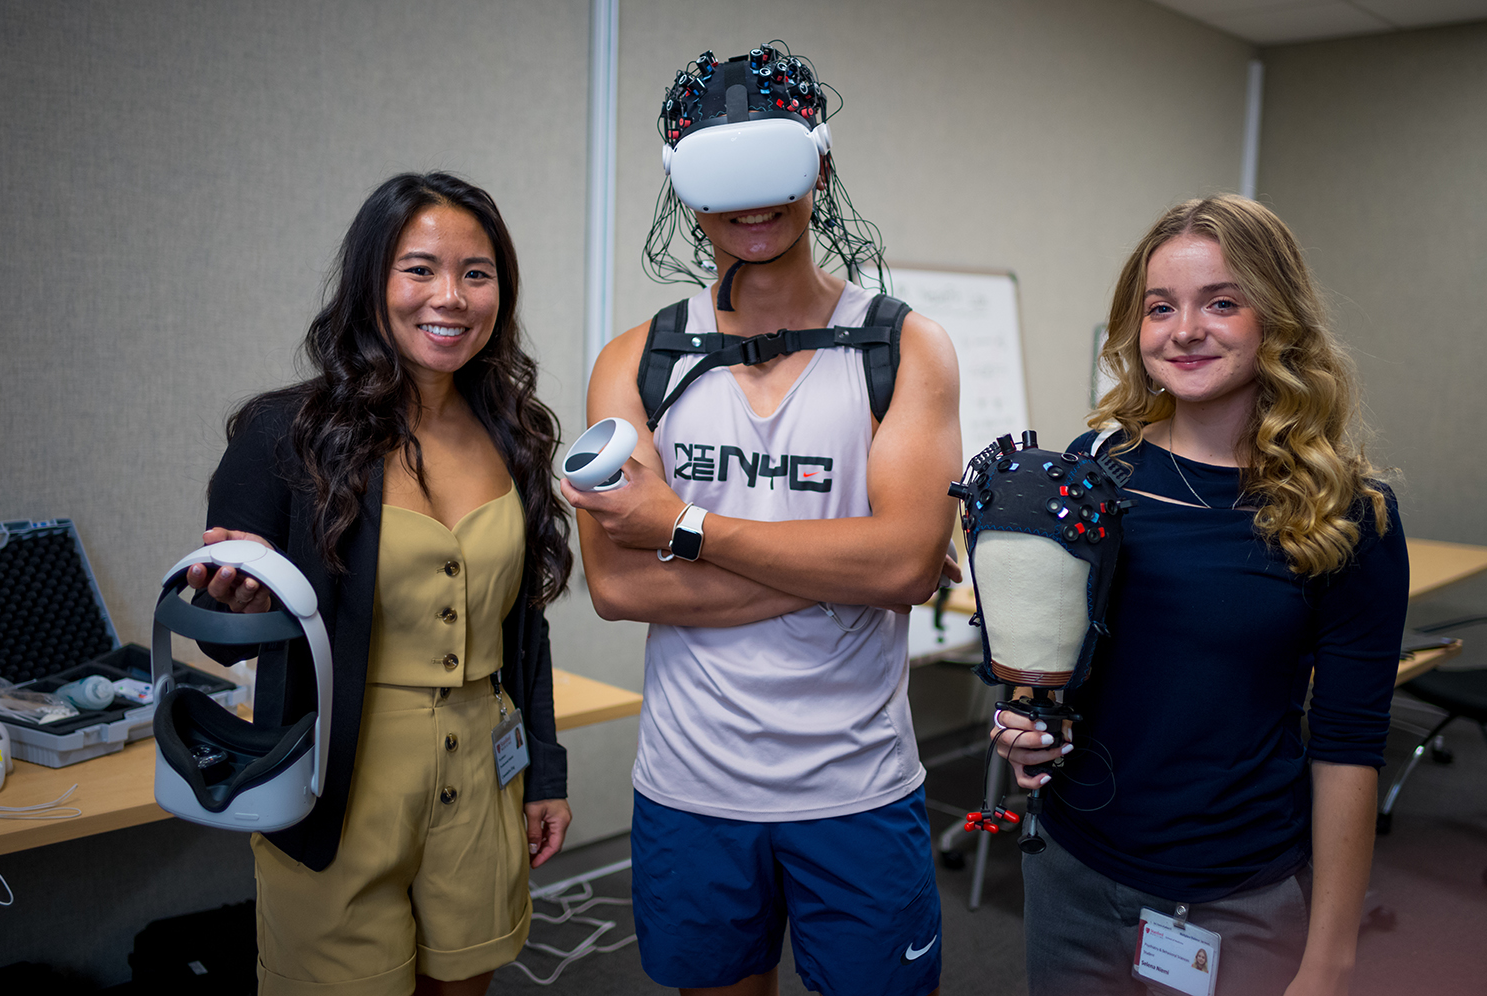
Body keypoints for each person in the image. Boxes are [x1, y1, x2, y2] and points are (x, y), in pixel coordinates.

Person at [564, 44, 961, 996]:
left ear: (818, 163)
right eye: (720, 174)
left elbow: (905, 569)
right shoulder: (638, 360)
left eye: (772, 167)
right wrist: (842, 561)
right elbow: (619, 587)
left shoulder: (904, 347)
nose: (750, 204)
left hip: (857, 787)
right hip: (692, 789)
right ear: (680, 181)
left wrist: (682, 525)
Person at [996, 194, 1408, 996]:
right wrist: (1028, 726)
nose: (1186, 330)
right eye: (1161, 307)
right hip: (1071, 874)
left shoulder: (1347, 512)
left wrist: (1330, 959)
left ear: (1277, 320)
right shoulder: (1095, 469)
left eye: (1222, 301)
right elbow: (1069, 658)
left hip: (1234, 901)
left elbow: (1350, 744)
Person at [188, 171, 574, 996]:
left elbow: (524, 630)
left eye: (478, 273)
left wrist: (546, 770)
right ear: (372, 281)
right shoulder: (284, 435)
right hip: (336, 782)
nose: (452, 297)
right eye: (420, 268)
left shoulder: (514, 434)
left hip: (479, 775)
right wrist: (240, 598)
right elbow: (213, 603)